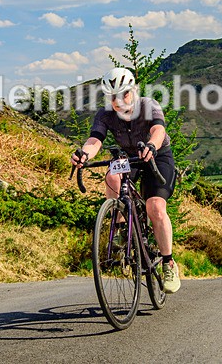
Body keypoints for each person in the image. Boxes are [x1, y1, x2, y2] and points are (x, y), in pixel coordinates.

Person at [71, 67, 180, 293]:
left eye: (124, 94)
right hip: (129, 158)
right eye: (113, 97)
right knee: (112, 175)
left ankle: (169, 263)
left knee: (155, 206)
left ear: (134, 90)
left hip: (157, 155)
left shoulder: (148, 105)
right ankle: (122, 227)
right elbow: (95, 140)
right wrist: (84, 155)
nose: (118, 101)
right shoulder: (105, 114)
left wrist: (152, 145)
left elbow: (158, 130)